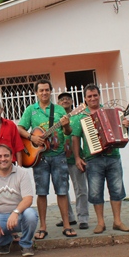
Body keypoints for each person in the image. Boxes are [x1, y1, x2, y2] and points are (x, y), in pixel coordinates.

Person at [18, 79, 77, 239]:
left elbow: (68, 132)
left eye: (47, 90)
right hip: (40, 158)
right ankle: (43, 227)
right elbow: (20, 128)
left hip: (58, 156)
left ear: (51, 91)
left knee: (62, 191)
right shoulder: (31, 110)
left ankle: (67, 225)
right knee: (41, 192)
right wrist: (32, 138)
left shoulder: (59, 110)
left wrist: (65, 125)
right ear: (36, 93)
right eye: (41, 90)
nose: (44, 93)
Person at [72, 84, 129, 234]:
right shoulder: (81, 116)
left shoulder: (111, 112)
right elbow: (75, 138)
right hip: (93, 158)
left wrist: (126, 125)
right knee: (96, 192)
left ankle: (117, 221)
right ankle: (100, 223)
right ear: (85, 98)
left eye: (95, 95)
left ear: (99, 96)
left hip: (113, 156)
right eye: (89, 96)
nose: (93, 98)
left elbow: (122, 132)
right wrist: (77, 157)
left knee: (117, 189)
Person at [0, 144, 38, 257]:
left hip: (20, 216)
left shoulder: (22, 173)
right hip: (1, 216)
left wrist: (15, 212)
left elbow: (28, 199)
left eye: (6, 156)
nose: (3, 159)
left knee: (31, 214)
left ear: (12, 157)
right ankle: (7, 240)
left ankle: (26, 244)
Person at [57, 92, 89, 230]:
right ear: (58, 103)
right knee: (62, 190)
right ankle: (69, 217)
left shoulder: (79, 115)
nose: (65, 101)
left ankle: (83, 218)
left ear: (72, 101)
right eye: (62, 99)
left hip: (76, 158)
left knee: (80, 189)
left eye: (67, 99)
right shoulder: (55, 117)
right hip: (58, 158)